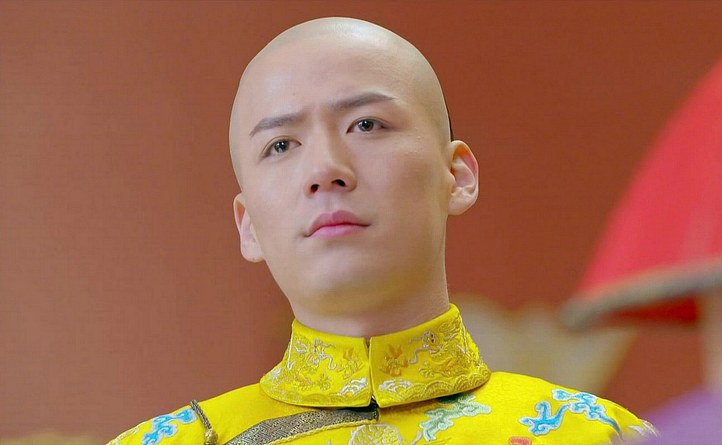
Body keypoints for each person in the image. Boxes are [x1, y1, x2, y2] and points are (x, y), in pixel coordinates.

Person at [108, 17, 655, 445]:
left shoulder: (598, 435)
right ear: (247, 224)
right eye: (281, 145)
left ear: (458, 176)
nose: (326, 168)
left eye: (366, 124)